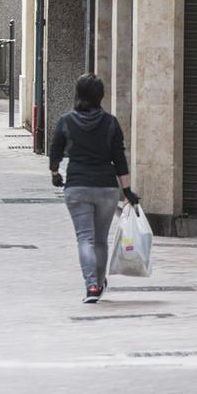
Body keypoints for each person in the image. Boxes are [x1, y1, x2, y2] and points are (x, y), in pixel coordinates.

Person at [49, 73, 140, 304]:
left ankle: (91, 285)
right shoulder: (110, 123)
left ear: (77, 94)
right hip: (107, 189)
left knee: (84, 239)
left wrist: (55, 173)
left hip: (77, 187)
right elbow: (120, 158)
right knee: (100, 240)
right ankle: (99, 284)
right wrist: (127, 191)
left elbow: (55, 149)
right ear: (101, 95)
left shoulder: (66, 121)